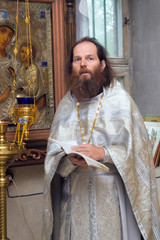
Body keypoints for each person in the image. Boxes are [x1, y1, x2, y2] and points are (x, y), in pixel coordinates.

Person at [42, 37, 160, 240]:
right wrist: (67, 160)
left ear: (102, 64)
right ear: (72, 65)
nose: (83, 64)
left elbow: (137, 154)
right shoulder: (65, 107)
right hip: (76, 197)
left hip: (112, 197)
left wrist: (103, 153)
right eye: (77, 59)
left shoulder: (122, 102)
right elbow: (53, 161)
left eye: (90, 58)